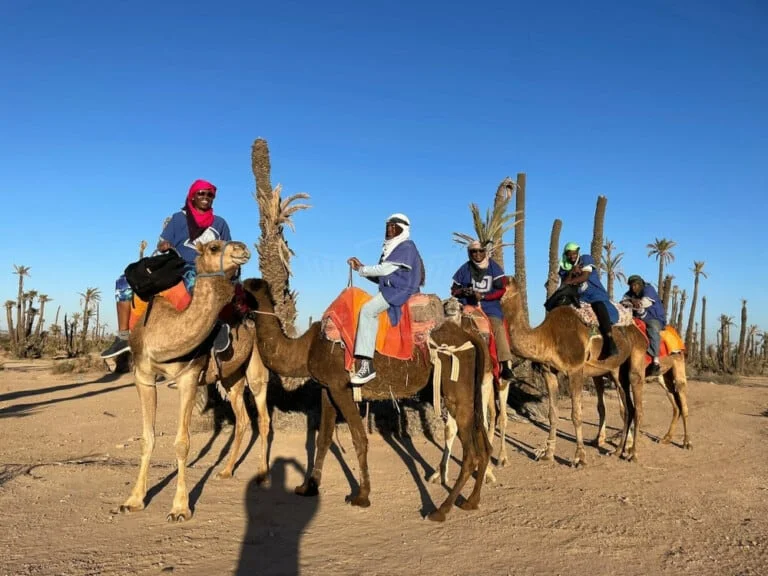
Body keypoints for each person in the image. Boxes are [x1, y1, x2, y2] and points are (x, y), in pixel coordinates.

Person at [101, 179, 233, 359]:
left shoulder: (220, 224)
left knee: (198, 288)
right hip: (174, 263)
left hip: (203, 270)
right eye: (201, 193)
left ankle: (215, 327)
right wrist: (164, 244)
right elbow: (162, 241)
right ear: (192, 197)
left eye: (210, 194)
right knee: (124, 281)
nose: (206, 197)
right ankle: (123, 337)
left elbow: (227, 250)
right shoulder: (179, 218)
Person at [346, 213, 424, 385]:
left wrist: (361, 269)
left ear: (402, 229)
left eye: (393, 227)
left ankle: (366, 366)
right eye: (388, 227)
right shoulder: (388, 250)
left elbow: (384, 270)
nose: (389, 230)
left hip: (402, 290)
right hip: (390, 289)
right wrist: (361, 269)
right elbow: (380, 276)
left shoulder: (406, 246)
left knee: (367, 311)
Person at [450, 240, 514, 380]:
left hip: (489, 306)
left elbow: (501, 290)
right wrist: (463, 291)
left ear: (485, 252)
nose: (477, 254)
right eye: (474, 251)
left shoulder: (493, 268)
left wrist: (484, 295)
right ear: (469, 253)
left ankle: (505, 365)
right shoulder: (464, 269)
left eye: (480, 251)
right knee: (449, 325)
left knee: (497, 326)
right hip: (468, 306)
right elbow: (453, 290)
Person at [559, 241, 619, 360]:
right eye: (569, 254)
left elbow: (585, 276)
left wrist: (571, 281)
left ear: (578, 252)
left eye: (574, 253)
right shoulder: (564, 267)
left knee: (599, 306)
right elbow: (563, 283)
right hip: (580, 296)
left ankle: (609, 340)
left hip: (595, 293)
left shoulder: (586, 259)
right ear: (566, 255)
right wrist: (571, 271)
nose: (572, 256)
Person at [621, 275, 666, 375]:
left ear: (641, 284)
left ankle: (655, 360)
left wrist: (633, 302)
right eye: (632, 285)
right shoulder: (630, 293)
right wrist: (632, 301)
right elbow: (623, 301)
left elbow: (644, 303)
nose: (634, 287)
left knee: (653, 329)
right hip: (637, 317)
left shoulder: (649, 289)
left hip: (653, 317)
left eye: (636, 285)